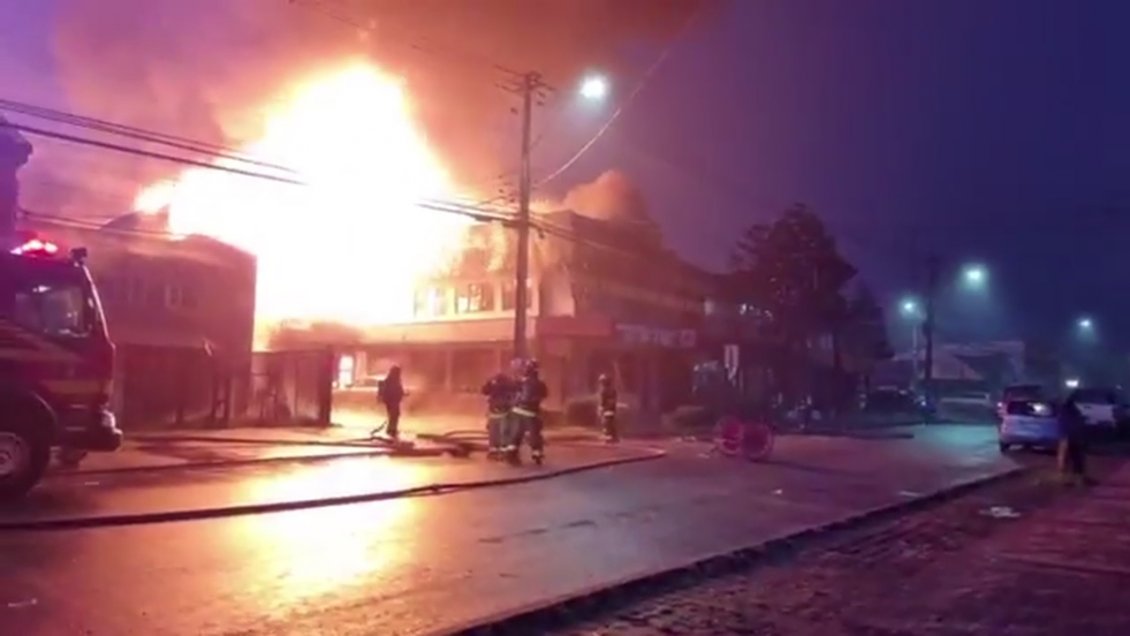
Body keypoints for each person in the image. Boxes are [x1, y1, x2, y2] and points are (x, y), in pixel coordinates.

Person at [506, 359, 548, 464]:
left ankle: (511, 454)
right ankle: (536, 454)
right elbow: (544, 395)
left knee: (516, 433)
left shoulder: (521, 382)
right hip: (530, 412)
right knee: (534, 434)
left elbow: (513, 392)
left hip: (517, 411)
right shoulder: (539, 384)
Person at [1058, 392, 1092, 485]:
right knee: (1073, 458)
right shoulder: (1070, 410)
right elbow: (1072, 423)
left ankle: (1070, 479)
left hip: (1069, 436)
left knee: (1071, 458)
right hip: (1071, 437)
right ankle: (1071, 479)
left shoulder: (1068, 409)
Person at [481, 370, 514, 459]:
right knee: (504, 433)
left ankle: (494, 451)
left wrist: (490, 383)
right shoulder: (509, 385)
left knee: (494, 433)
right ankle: (501, 451)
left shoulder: (494, 385)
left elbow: (484, 391)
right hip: (503, 412)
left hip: (496, 412)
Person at [377, 365, 405, 439]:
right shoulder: (392, 380)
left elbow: (398, 390)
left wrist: (402, 394)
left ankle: (392, 429)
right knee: (394, 415)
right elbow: (394, 391)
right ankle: (391, 430)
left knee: (394, 415)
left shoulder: (392, 380)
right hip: (392, 401)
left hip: (392, 401)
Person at [598, 374, 619, 443]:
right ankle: (614, 437)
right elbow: (614, 399)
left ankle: (610, 437)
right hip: (612, 408)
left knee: (607, 422)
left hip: (607, 409)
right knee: (610, 422)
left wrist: (601, 408)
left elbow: (602, 401)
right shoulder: (612, 390)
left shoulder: (604, 390)